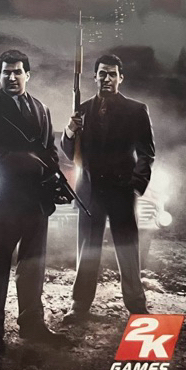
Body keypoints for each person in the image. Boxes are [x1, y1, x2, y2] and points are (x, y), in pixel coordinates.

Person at [0, 50, 67, 353]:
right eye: (6, 72)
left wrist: (52, 173)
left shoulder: (41, 108)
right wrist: (22, 160)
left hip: (37, 199)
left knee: (33, 266)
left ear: (28, 75)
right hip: (5, 198)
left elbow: (51, 150)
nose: (11, 77)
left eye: (17, 72)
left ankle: (32, 325)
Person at [61, 53, 154, 321]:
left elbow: (147, 153)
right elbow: (70, 153)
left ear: (120, 78)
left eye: (112, 74)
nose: (107, 78)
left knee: (128, 249)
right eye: (102, 73)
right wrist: (70, 130)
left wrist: (136, 186)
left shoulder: (136, 110)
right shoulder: (83, 110)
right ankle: (79, 306)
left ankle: (137, 306)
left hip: (122, 191)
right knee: (87, 250)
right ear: (95, 77)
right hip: (90, 191)